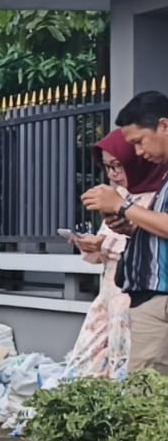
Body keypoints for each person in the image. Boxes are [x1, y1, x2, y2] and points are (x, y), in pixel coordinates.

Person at [64, 130, 167, 379]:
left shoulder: (155, 197)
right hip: (110, 292)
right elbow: (110, 247)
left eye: (117, 166)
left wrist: (127, 222)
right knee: (89, 362)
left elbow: (152, 245)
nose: (113, 174)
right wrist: (95, 245)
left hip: (137, 293)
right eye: (107, 167)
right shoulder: (120, 196)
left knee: (130, 365)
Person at [84, 91, 168, 375]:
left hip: (160, 299)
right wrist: (133, 229)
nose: (139, 153)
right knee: (146, 396)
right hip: (149, 299)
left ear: (164, 126)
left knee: (147, 400)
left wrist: (122, 206)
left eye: (139, 142)